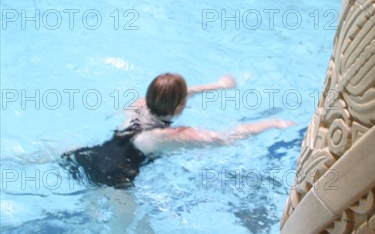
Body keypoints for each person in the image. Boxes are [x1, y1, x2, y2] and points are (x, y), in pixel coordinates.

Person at [62, 73, 295, 189]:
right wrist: (271, 124)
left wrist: (218, 86)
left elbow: (178, 94)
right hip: (115, 180)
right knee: (126, 232)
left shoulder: (139, 104)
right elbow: (226, 138)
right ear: (179, 107)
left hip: (86, 156)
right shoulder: (173, 136)